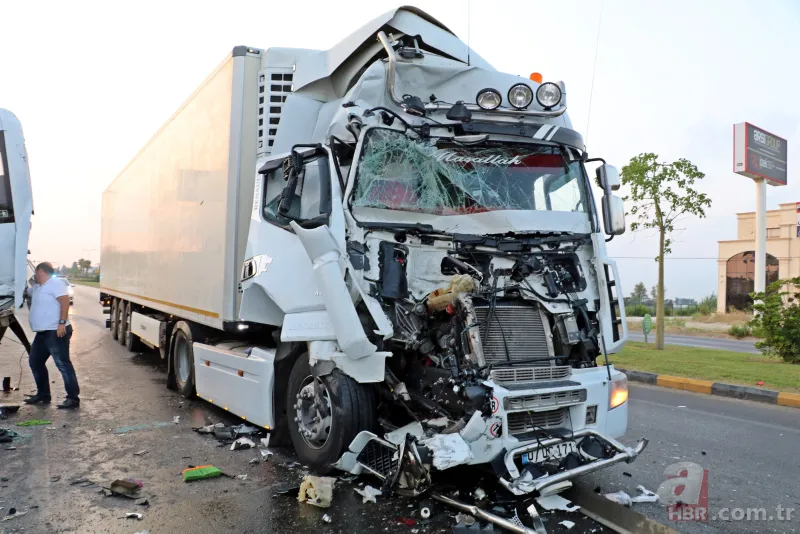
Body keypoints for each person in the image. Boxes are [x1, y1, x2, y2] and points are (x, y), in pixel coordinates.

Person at [23, 262, 80, 409]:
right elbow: (24, 293)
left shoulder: (56, 283)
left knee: (63, 364)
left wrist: (61, 323)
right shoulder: (37, 288)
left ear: (41, 271)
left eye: (35, 272)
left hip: (56, 331)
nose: (34, 275)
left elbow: (65, 301)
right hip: (42, 333)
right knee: (35, 361)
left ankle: (73, 398)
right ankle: (43, 394)